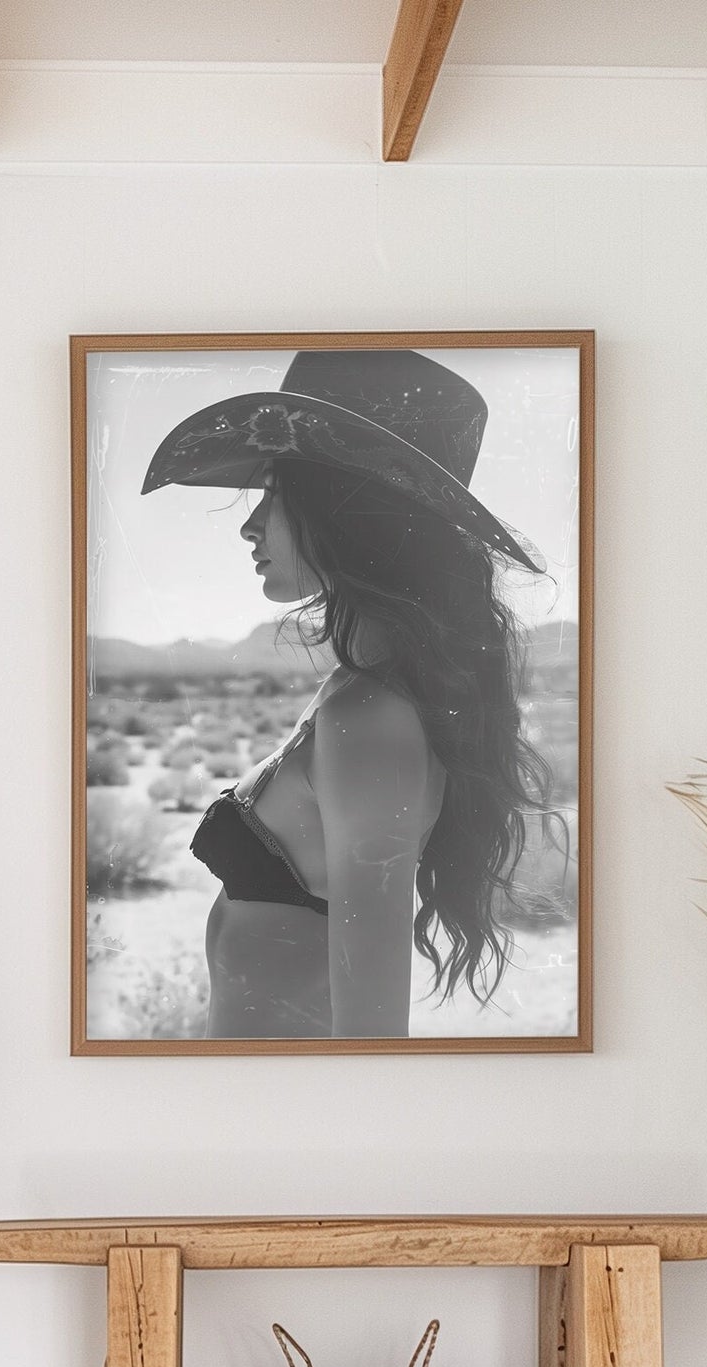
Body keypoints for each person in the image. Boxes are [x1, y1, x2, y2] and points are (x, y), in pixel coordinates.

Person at [142, 348, 550, 1039]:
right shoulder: (357, 695)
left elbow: (374, 1017)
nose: (250, 523)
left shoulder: (372, 719)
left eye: (275, 495)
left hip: (284, 1115)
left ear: (346, 515)